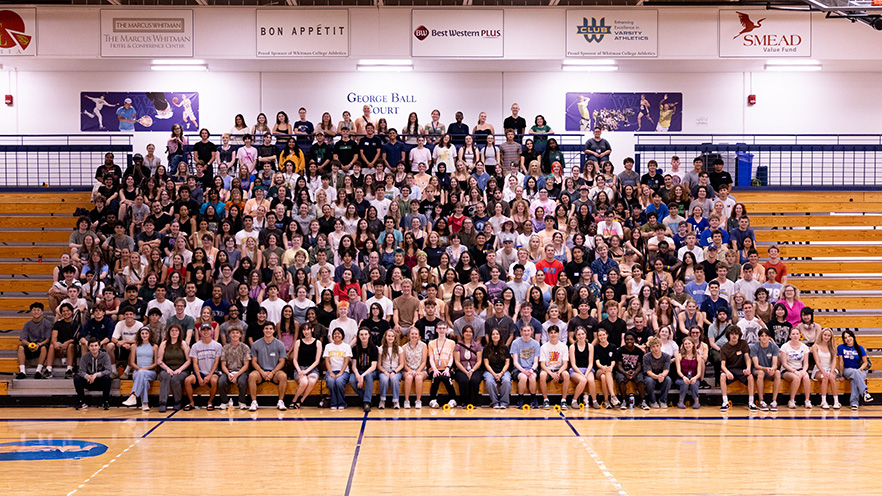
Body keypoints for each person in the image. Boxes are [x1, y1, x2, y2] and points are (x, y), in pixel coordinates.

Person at [248, 322, 288, 411]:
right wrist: (262, 372)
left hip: (275, 372)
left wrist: (272, 372)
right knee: (252, 376)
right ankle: (254, 402)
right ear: (263, 330)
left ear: (274, 330)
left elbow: (282, 362)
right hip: (260, 371)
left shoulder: (280, 344)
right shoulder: (256, 344)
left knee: (283, 376)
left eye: (270, 329)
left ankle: (280, 402)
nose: (268, 330)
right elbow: (254, 362)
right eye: (266, 328)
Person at [184, 323, 222, 411]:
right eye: (203, 330)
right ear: (200, 332)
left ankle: (210, 402)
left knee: (214, 380)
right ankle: (191, 403)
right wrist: (199, 377)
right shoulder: (195, 346)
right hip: (200, 372)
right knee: (187, 380)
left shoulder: (217, 345)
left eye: (208, 330)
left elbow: (216, 362)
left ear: (212, 331)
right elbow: (195, 363)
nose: (206, 332)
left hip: (213, 372)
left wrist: (209, 376)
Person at [719, 325, 755, 412]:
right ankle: (725, 402)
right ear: (729, 335)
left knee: (750, 377)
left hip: (741, 369)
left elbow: (747, 357)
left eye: (736, 334)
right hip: (730, 369)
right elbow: (722, 365)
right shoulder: (724, 348)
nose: (734, 336)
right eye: (732, 334)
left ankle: (751, 402)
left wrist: (748, 368)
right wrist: (727, 372)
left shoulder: (743, 343)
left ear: (739, 335)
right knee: (722, 376)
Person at [121, 327, 158, 411]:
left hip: (150, 372)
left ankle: (133, 395)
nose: (144, 335)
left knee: (142, 374)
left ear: (149, 334)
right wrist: (139, 369)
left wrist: (145, 368)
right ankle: (144, 403)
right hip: (137, 372)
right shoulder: (134, 346)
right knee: (143, 380)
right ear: (139, 335)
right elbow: (132, 362)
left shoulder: (154, 346)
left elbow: (156, 363)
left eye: (146, 333)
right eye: (142, 333)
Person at [156, 324, 191, 412]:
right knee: (165, 376)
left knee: (175, 379)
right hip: (167, 369)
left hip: (182, 370)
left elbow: (188, 360)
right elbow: (159, 360)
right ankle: (162, 403)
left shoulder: (183, 344)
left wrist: (179, 369)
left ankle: (178, 402)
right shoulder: (164, 344)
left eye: (176, 330)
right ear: (169, 332)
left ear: (179, 332)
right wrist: (167, 369)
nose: (174, 332)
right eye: (172, 330)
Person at [74, 338, 113, 410]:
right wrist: (87, 376)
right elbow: (81, 371)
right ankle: (82, 402)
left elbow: (108, 370)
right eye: (91, 346)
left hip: (100, 380)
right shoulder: (85, 356)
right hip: (89, 381)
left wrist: (96, 375)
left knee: (107, 378)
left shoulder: (105, 356)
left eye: (95, 345)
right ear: (88, 347)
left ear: (99, 347)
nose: (94, 348)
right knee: (77, 378)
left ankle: (105, 402)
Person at [217, 326, 251, 410]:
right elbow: (223, 365)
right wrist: (229, 374)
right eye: (233, 333)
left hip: (241, 372)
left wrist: (236, 375)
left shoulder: (245, 347)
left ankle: (242, 401)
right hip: (228, 371)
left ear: (240, 335)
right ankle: (224, 402)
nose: (235, 335)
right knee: (221, 381)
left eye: (237, 333)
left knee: (242, 382)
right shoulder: (225, 348)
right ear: (229, 335)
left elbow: (246, 365)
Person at [838, 330, 873, 411]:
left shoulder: (860, 348)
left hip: (860, 370)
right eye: (845, 338)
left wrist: (860, 369)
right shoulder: (841, 347)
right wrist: (841, 375)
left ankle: (854, 403)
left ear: (853, 337)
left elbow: (865, 362)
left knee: (855, 378)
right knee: (855, 373)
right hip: (847, 370)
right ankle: (865, 392)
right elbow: (841, 362)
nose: (848, 339)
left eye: (849, 336)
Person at [289, 323, 322, 409]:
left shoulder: (318, 343)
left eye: (308, 329)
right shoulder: (298, 342)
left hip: (312, 369)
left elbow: (317, 361)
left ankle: (301, 400)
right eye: (304, 330)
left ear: (312, 330)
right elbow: (295, 359)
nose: (306, 332)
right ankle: (294, 400)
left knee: (311, 381)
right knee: (304, 382)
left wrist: (307, 371)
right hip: (299, 368)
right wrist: (299, 370)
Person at [17, 302, 52, 380]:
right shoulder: (27, 325)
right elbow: (23, 339)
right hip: (29, 345)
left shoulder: (47, 324)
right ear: (31, 312)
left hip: (40, 345)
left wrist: (39, 345)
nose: (36, 312)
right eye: (34, 310)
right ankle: (22, 371)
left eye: (38, 310)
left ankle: (38, 371)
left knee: (44, 348)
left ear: (42, 312)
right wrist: (29, 344)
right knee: (20, 347)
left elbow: (47, 339)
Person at [539, 325, 570, 410]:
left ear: (558, 334)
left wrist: (559, 372)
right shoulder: (544, 347)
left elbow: (565, 364)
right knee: (542, 375)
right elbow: (542, 364)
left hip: (559, 369)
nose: (553, 335)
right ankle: (545, 400)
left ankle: (563, 400)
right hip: (548, 369)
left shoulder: (564, 346)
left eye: (555, 333)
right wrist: (551, 374)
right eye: (551, 333)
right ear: (548, 334)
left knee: (566, 374)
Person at [780, 326, 812, 409]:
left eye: (797, 334)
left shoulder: (804, 347)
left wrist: (804, 371)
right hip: (787, 370)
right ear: (790, 336)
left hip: (800, 369)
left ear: (800, 335)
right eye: (793, 334)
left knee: (806, 377)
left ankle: (807, 400)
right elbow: (784, 364)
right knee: (796, 377)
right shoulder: (785, 347)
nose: (795, 336)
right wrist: (794, 371)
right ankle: (791, 400)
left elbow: (806, 363)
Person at [510, 324, 541, 409]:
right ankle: (520, 398)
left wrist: (532, 369)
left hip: (531, 368)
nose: (526, 333)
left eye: (528, 330)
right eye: (524, 331)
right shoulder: (515, 343)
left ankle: (533, 398)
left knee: (532, 377)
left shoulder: (536, 344)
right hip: (519, 369)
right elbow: (515, 362)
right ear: (521, 332)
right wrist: (523, 370)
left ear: (531, 332)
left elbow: (536, 362)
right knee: (523, 377)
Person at [750, 328, 781, 412]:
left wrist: (772, 369)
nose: (764, 338)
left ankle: (774, 401)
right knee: (760, 373)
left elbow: (775, 364)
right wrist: (767, 369)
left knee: (777, 373)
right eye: (762, 336)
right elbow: (756, 365)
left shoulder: (774, 347)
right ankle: (761, 400)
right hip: (758, 370)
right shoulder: (754, 347)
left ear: (769, 337)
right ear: (759, 337)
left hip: (769, 369)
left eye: (766, 336)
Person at [427, 322, 457, 408]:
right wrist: (435, 370)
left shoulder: (451, 343)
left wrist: (447, 369)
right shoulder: (431, 343)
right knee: (436, 377)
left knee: (445, 377)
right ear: (436, 330)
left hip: (447, 368)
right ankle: (432, 400)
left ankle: (452, 399)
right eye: (440, 328)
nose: (442, 330)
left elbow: (451, 358)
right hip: (435, 368)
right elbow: (431, 358)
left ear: (447, 330)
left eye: (444, 328)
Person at [453, 325, 483, 408]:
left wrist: (472, 371)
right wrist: (466, 372)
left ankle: (474, 402)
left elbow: (479, 361)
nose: (468, 333)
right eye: (466, 331)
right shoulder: (458, 346)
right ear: (463, 333)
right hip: (461, 369)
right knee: (464, 380)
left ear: (473, 334)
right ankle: (464, 401)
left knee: (474, 380)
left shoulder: (477, 346)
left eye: (470, 332)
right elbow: (457, 361)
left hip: (475, 369)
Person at [615, 332, 647, 410]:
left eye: (631, 339)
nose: (629, 341)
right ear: (625, 340)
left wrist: (635, 373)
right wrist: (625, 373)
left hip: (635, 371)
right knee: (621, 379)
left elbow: (639, 365)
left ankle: (643, 401)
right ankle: (624, 400)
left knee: (640, 379)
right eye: (627, 339)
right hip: (623, 371)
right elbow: (619, 365)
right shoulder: (620, 351)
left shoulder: (639, 351)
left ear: (634, 341)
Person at [323, 327, 352, 410]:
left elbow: (346, 361)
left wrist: (341, 373)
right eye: (335, 334)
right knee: (331, 381)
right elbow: (327, 361)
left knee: (339, 381)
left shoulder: (346, 346)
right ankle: (333, 403)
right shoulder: (328, 346)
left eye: (339, 333)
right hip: (331, 371)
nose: (337, 335)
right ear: (332, 335)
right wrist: (331, 372)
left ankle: (341, 403)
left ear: (342, 335)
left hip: (344, 371)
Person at [350, 328, 378, 412]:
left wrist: (362, 376)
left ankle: (367, 402)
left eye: (366, 334)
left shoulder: (373, 348)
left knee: (369, 376)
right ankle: (366, 397)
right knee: (351, 380)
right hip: (358, 371)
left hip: (370, 371)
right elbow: (354, 366)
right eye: (361, 334)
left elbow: (373, 366)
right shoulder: (355, 348)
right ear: (358, 336)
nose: (364, 336)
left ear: (369, 335)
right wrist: (358, 375)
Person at [811, 328, 840, 410]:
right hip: (819, 369)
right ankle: (823, 401)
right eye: (825, 335)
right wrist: (823, 372)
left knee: (831, 377)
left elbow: (834, 361)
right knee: (825, 377)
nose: (826, 337)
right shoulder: (815, 346)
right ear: (821, 335)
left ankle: (836, 401)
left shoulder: (833, 348)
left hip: (830, 368)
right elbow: (817, 361)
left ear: (831, 337)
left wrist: (831, 371)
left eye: (828, 335)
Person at [483, 328, 512, 409]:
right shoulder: (486, 348)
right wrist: (494, 374)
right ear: (490, 336)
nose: (495, 336)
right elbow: (486, 364)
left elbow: (507, 363)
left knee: (506, 381)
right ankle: (495, 402)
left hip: (503, 371)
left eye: (497, 334)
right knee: (489, 382)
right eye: (493, 334)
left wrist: (501, 373)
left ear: (500, 336)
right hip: (490, 371)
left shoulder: (505, 348)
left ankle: (504, 402)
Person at [377, 329, 404, 410]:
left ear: (395, 338)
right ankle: (382, 400)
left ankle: (396, 401)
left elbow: (402, 364)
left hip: (396, 371)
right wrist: (385, 372)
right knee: (384, 379)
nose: (390, 338)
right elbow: (379, 365)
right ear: (385, 337)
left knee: (394, 379)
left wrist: (394, 372)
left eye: (392, 336)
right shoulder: (381, 348)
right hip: (384, 371)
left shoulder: (399, 349)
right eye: (389, 336)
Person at [642, 336, 672, 409]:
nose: (656, 348)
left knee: (668, 380)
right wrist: (657, 377)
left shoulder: (667, 356)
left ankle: (663, 401)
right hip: (651, 377)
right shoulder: (646, 357)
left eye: (657, 346)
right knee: (649, 381)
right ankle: (652, 401)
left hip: (662, 376)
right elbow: (648, 372)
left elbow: (666, 370)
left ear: (660, 346)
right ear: (650, 347)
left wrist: (662, 376)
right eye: (653, 347)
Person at [402, 327, 428, 409]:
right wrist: (409, 370)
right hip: (408, 369)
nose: (414, 336)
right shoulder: (403, 347)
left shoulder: (423, 345)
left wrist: (418, 371)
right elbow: (403, 363)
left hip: (421, 369)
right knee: (409, 377)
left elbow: (424, 361)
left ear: (419, 336)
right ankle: (406, 400)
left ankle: (418, 400)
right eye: (412, 334)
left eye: (416, 334)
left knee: (418, 377)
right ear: (409, 335)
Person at [675, 335, 702, 409]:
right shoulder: (679, 356)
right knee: (685, 382)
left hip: (694, 377)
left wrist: (694, 378)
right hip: (681, 379)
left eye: (689, 343)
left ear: (693, 344)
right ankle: (681, 401)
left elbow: (699, 372)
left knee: (694, 383)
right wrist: (683, 377)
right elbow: (678, 371)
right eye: (685, 344)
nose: (687, 345)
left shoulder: (698, 356)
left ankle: (696, 401)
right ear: (683, 345)